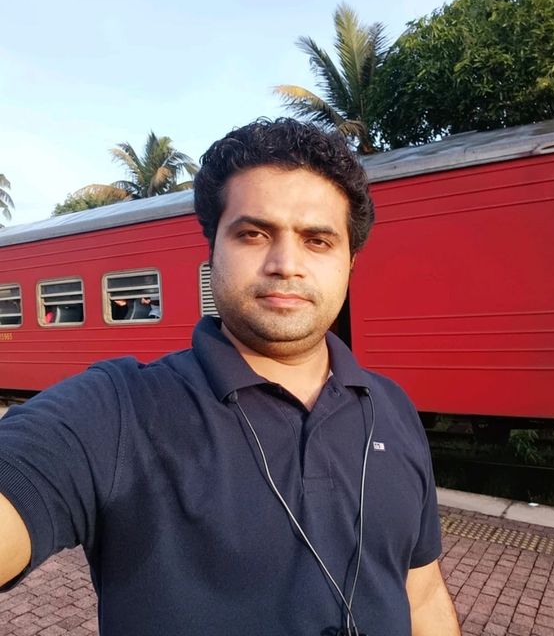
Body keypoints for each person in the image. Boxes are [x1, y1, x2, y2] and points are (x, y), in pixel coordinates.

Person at [0, 119, 460, 636]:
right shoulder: (117, 411)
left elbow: (421, 596)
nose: (286, 264)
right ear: (212, 249)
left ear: (350, 262)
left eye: (318, 241)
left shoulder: (392, 407)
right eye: (253, 234)